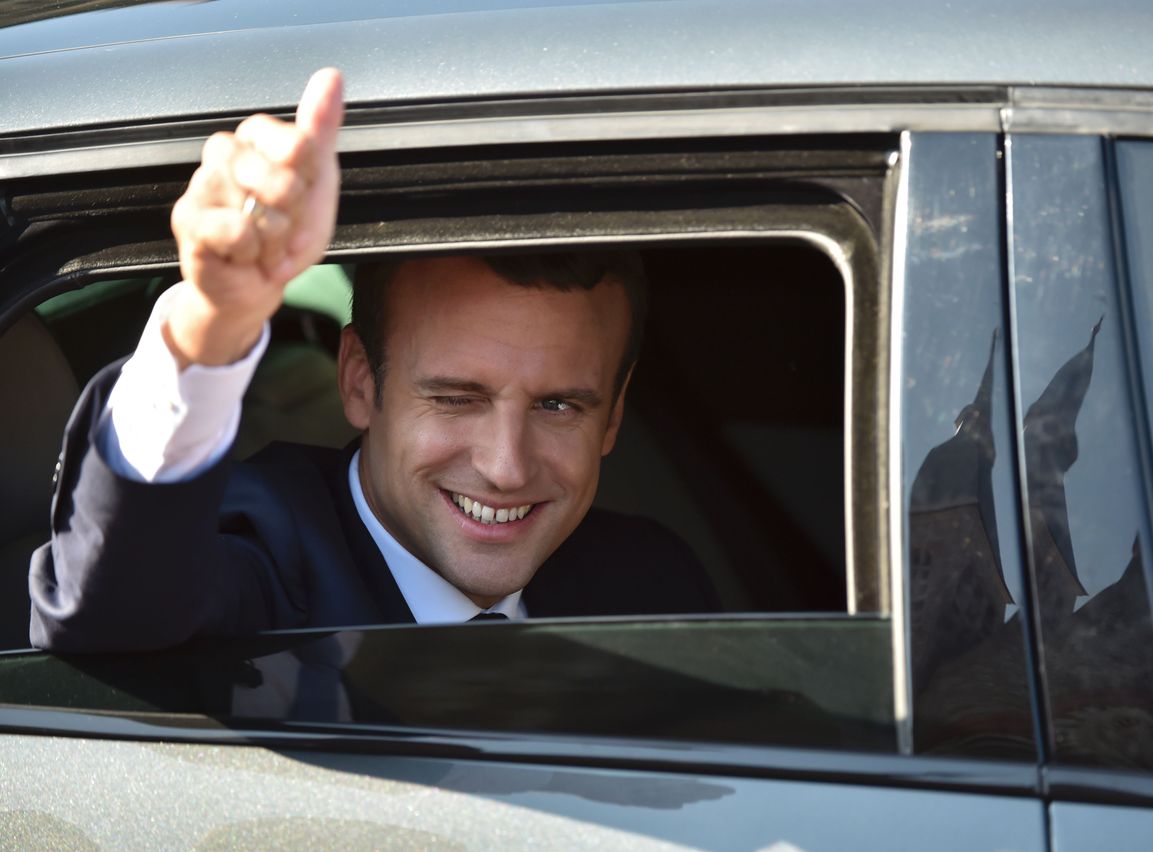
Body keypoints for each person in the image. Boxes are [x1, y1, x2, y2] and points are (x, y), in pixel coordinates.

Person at [29, 69, 716, 651]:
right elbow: (120, 609)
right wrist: (211, 325)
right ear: (360, 379)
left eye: (559, 405)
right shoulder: (257, 550)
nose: (506, 468)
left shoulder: (652, 585)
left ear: (615, 414)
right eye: (455, 397)